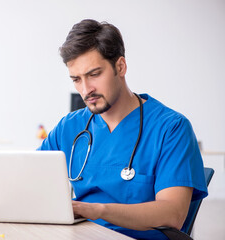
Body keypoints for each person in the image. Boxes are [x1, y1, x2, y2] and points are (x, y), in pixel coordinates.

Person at [38, 19, 208, 240]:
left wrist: (96, 211)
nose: (86, 89)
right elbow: (32, 182)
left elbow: (172, 213)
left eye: (94, 74)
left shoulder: (171, 128)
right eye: (76, 80)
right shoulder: (69, 127)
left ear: (120, 67)